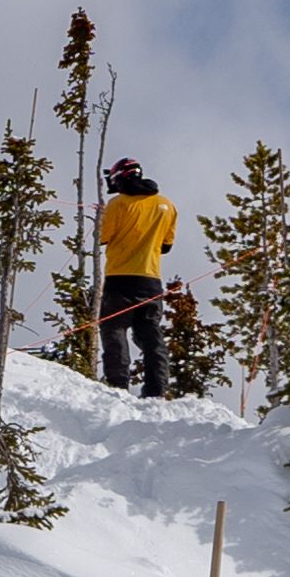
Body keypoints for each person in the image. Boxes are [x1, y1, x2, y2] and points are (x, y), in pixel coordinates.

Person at [91, 155, 183, 396]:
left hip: (120, 278)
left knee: (113, 330)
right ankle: (157, 388)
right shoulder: (167, 205)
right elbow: (166, 246)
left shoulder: (117, 204)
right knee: (151, 333)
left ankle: (118, 384)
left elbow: (101, 238)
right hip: (151, 281)